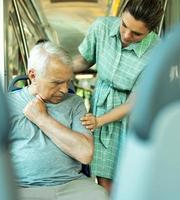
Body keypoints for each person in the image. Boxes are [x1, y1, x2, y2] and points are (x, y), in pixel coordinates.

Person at [72, 0, 164, 193]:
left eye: (137, 34)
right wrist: (56, 71)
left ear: (151, 31)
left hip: (130, 115)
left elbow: (134, 101)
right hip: (101, 103)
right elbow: (85, 60)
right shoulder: (101, 27)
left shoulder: (157, 50)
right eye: (124, 25)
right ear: (121, 14)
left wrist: (99, 121)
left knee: (123, 178)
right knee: (104, 178)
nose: (126, 35)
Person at [8, 41, 108, 200]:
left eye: (67, 81)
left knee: (99, 195)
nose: (63, 89)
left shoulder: (75, 103)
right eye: (56, 82)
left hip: (70, 184)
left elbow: (85, 154)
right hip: (22, 186)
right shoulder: (7, 104)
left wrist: (42, 119)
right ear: (33, 75)